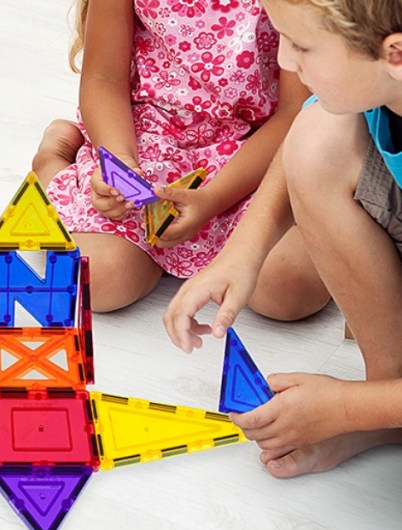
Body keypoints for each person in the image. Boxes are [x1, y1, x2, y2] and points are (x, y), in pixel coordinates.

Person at [163, 0, 402, 530]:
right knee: (322, 136)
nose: (284, 60)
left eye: (302, 46)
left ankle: (399, 407)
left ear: (398, 56)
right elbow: (308, 135)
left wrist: (348, 408)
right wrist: (241, 252)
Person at [30, 0, 329, 315]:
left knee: (289, 289)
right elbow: (102, 79)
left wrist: (213, 198)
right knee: (99, 280)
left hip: (256, 155)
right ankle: (54, 160)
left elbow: (295, 113)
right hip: (145, 142)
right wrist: (118, 161)